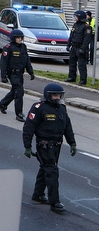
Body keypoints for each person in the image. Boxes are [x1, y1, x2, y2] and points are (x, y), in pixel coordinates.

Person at [23, 83, 77, 213]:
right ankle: (55, 202)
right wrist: (27, 146)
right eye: (54, 95)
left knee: (45, 169)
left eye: (59, 95)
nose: (57, 97)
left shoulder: (62, 108)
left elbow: (67, 127)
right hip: (44, 145)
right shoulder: (39, 108)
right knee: (52, 172)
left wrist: (72, 143)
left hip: (57, 145)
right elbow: (29, 127)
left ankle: (38, 194)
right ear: (48, 95)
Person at [0, 29, 35, 121]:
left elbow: (27, 61)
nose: (20, 39)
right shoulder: (8, 47)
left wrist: (31, 72)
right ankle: (19, 113)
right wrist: (3, 76)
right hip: (12, 73)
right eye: (18, 37)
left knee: (15, 91)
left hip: (20, 73)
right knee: (19, 92)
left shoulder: (23, 47)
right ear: (13, 38)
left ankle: (3, 103)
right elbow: (3, 63)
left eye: (21, 37)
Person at [66, 10, 90, 85]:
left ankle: (83, 80)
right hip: (74, 46)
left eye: (76, 16)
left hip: (81, 47)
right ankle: (72, 77)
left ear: (79, 17)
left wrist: (83, 49)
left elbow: (87, 39)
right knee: (72, 63)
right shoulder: (75, 25)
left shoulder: (86, 27)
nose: (75, 18)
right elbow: (71, 36)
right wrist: (68, 45)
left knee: (81, 65)